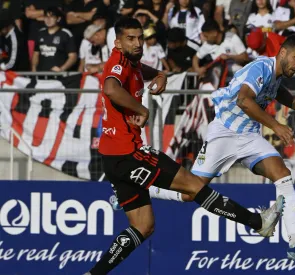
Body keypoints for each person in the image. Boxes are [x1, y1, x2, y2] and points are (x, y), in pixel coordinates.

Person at [84, 17, 284, 275]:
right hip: (130, 153)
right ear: (117, 43)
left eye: (140, 38)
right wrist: (141, 108)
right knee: (194, 187)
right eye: (130, 39)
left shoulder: (129, 61)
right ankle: (258, 222)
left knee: (143, 226)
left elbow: (135, 70)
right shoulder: (118, 63)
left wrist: (158, 73)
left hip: (112, 157)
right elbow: (111, 88)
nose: (137, 43)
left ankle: (94, 274)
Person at [144, 34, 295, 267]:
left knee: (283, 175)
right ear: (282, 53)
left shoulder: (275, 76)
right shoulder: (260, 67)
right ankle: (145, 188)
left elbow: (278, 91)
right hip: (224, 133)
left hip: (249, 136)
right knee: (191, 192)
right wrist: (276, 125)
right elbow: (244, 101)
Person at [31, 7, 78, 73]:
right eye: (46, 17)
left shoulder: (65, 34)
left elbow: (73, 57)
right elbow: (36, 54)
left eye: (52, 17)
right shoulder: (40, 33)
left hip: (59, 76)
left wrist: (62, 69)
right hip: (41, 75)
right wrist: (33, 69)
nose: (48, 19)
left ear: (58, 19)